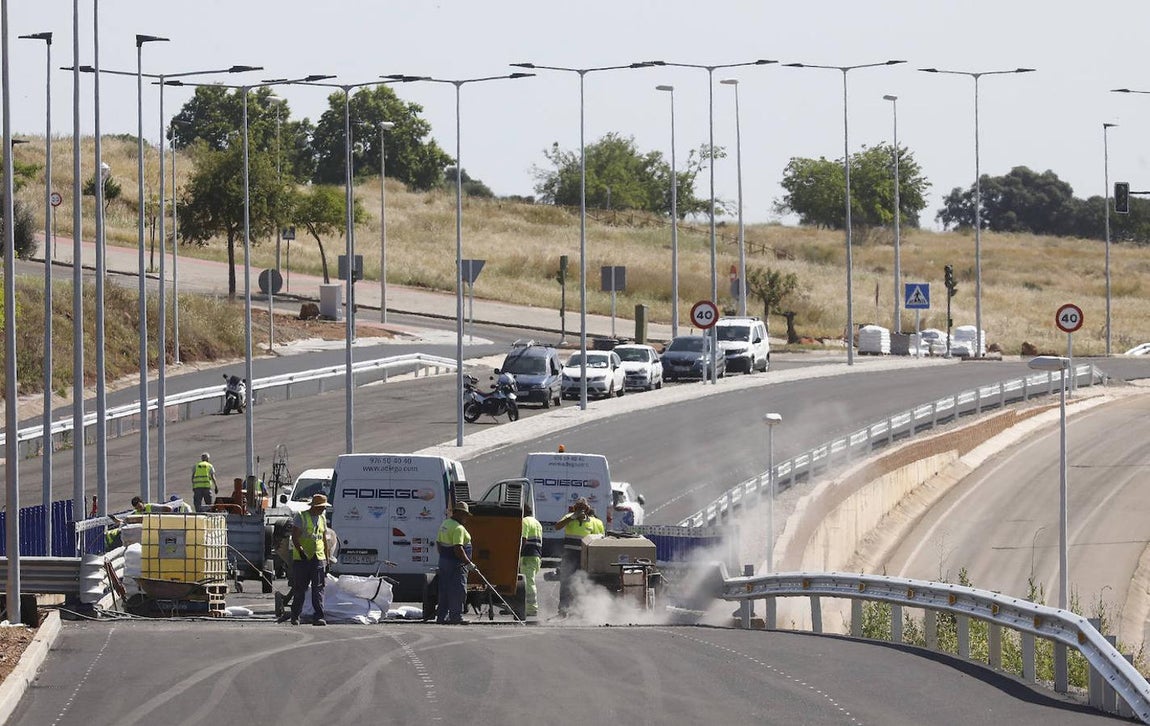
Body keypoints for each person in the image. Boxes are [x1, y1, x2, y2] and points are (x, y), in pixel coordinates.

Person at [553, 497, 604, 616]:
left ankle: (580, 609)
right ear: (575, 508)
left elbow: (597, 539)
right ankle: (563, 609)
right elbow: (557, 527)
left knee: (583, 582)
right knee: (565, 581)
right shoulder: (569, 517)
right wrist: (571, 518)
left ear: (587, 509)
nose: (581, 510)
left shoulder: (592, 522)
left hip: (584, 557)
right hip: (569, 556)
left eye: (583, 508)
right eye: (578, 508)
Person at [287, 494, 330, 626]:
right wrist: (301, 551)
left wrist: (327, 560)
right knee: (300, 588)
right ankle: (295, 616)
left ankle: (318, 617)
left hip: (318, 558)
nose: (323, 509)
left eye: (324, 507)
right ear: (315, 507)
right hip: (302, 559)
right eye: (321, 507)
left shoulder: (322, 518)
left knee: (318, 589)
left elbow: (323, 539)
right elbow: (295, 537)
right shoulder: (301, 516)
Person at [435, 501, 475, 624]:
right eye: (465, 515)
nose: (466, 518)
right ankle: (455, 617)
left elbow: (438, 543)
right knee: (458, 590)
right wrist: (468, 563)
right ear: (459, 513)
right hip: (457, 564)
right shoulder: (459, 528)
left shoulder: (445, 524)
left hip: (444, 561)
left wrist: (444, 557)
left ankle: (442, 616)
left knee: (445, 590)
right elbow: (458, 548)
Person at [520, 500, 544, 618]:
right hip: (536, 556)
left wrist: (518, 553)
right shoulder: (537, 523)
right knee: (529, 581)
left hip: (527, 555)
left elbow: (523, 539)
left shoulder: (524, 521)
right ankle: (522, 606)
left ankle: (531, 609)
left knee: (528, 582)